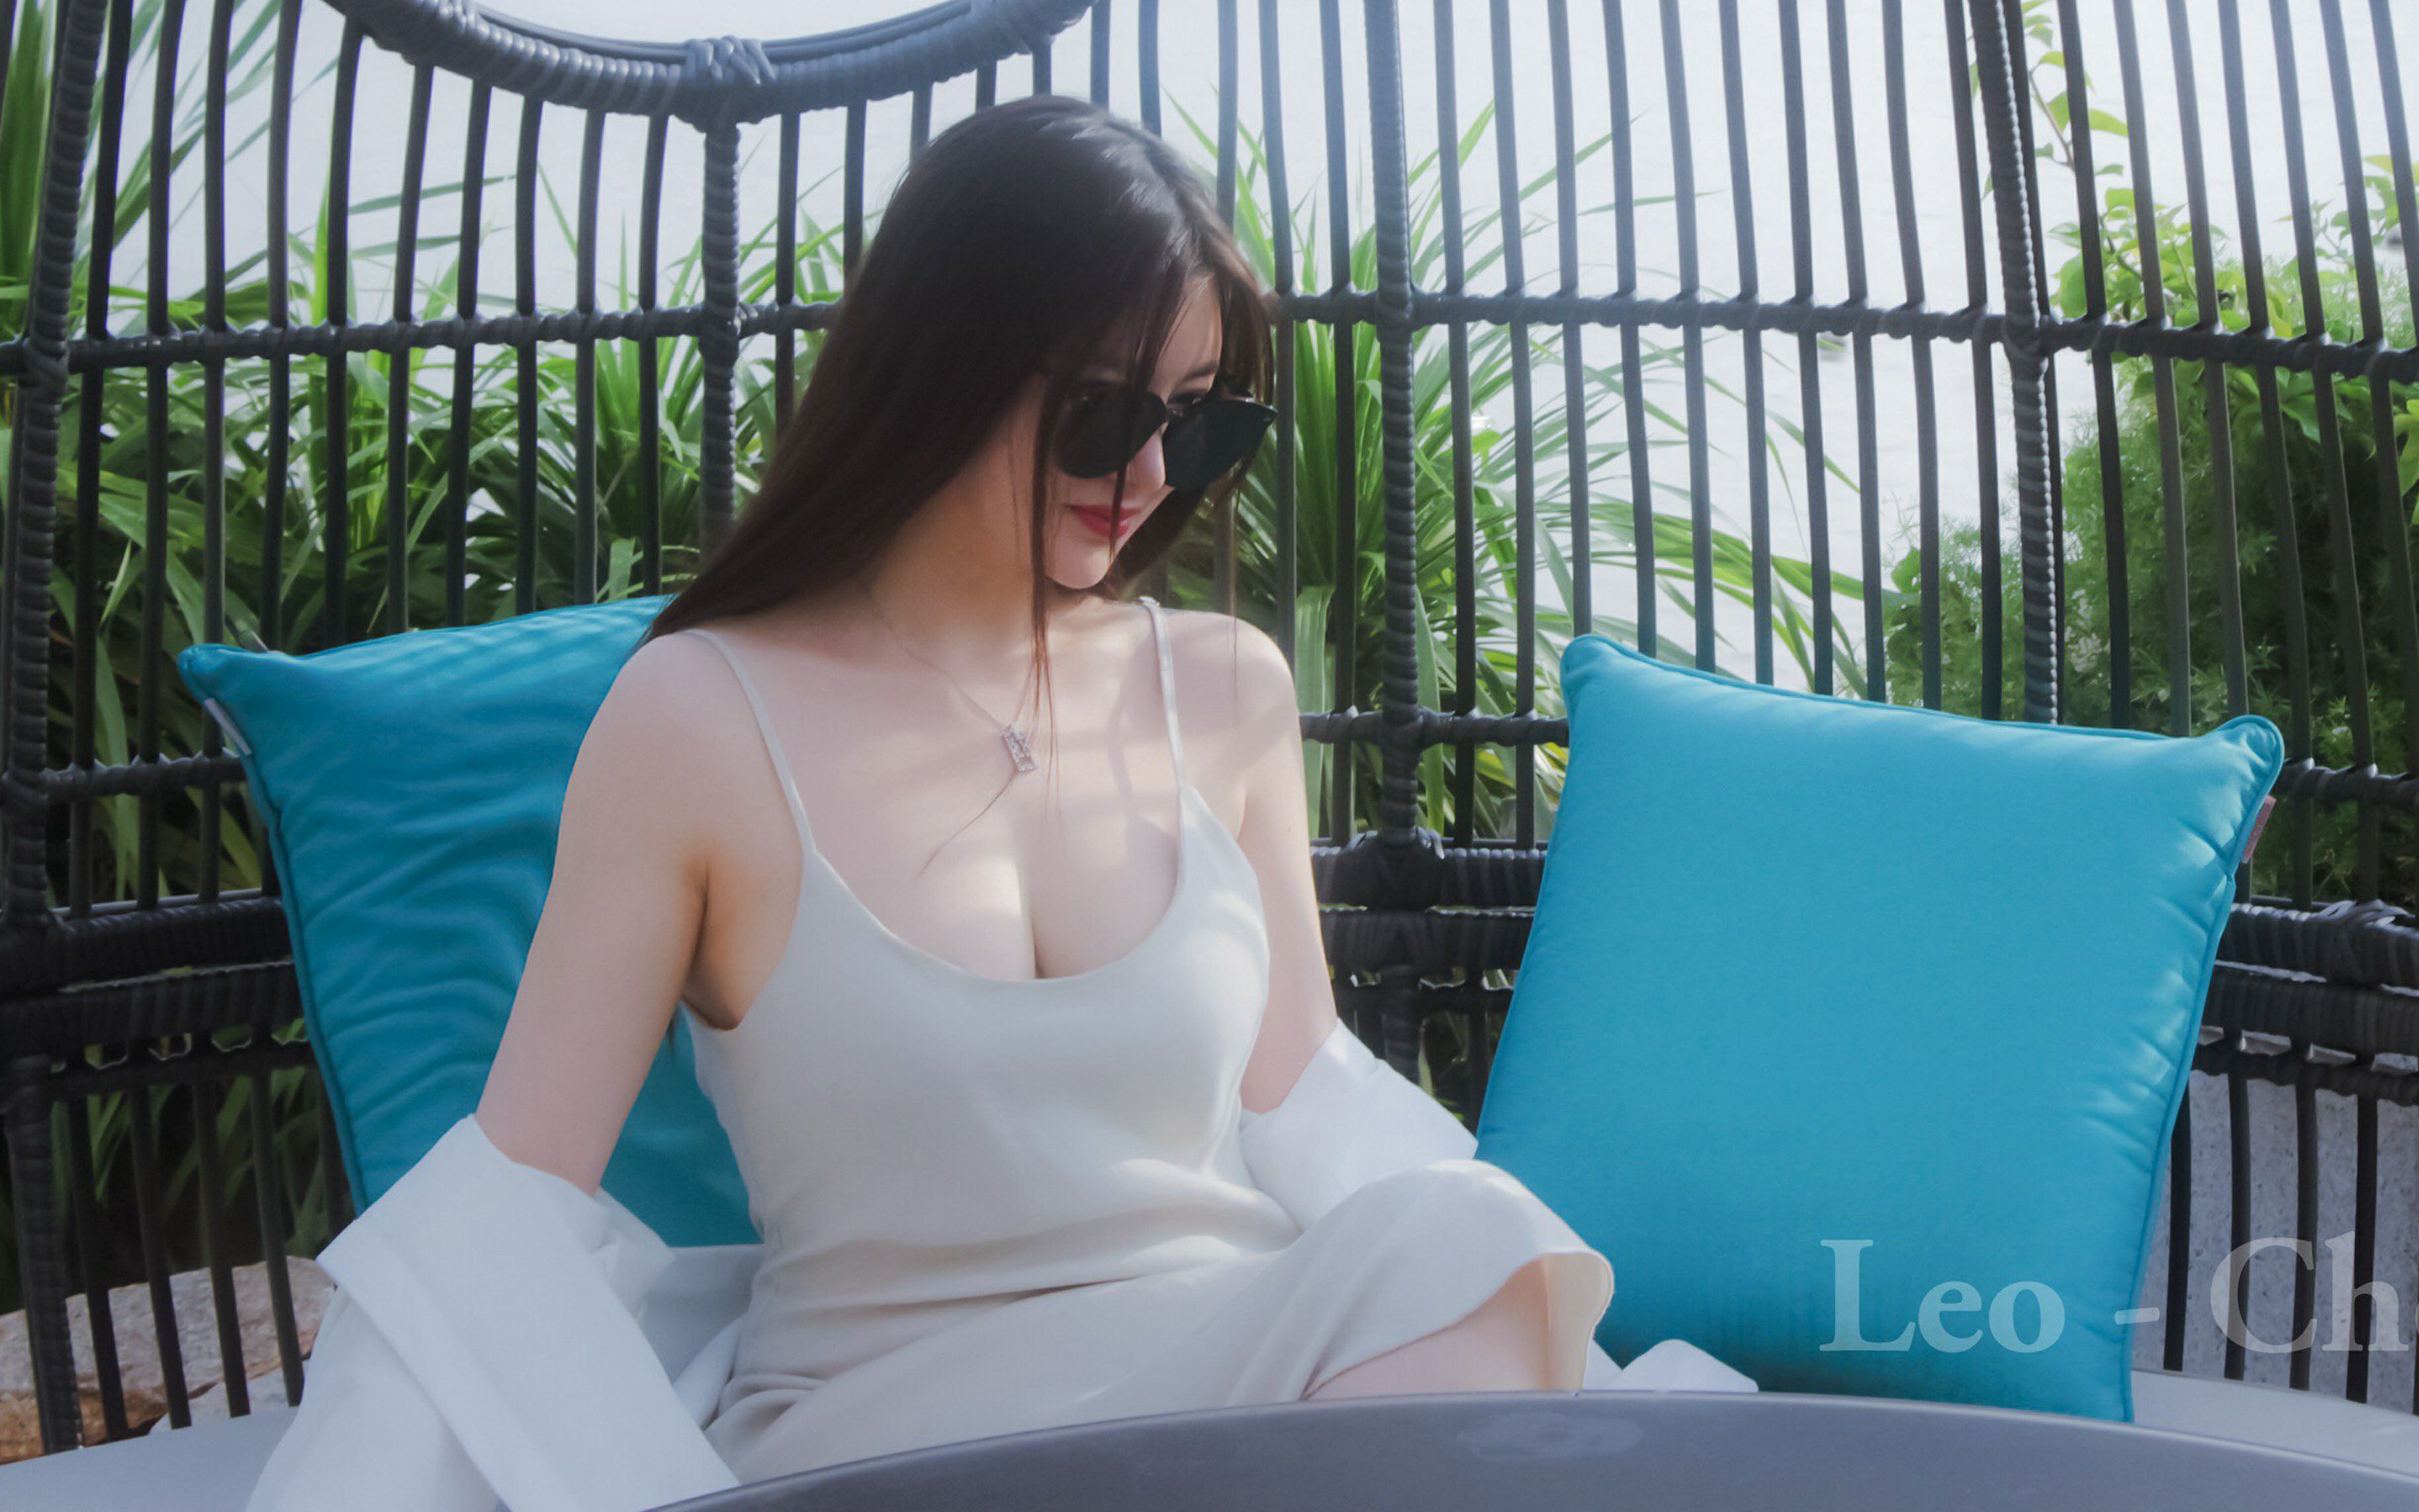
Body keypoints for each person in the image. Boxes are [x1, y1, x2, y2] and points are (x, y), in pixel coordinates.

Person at [469, 93, 1619, 1484]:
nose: (1151, 473)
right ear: (943, 365)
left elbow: (1309, 1097)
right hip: (881, 1433)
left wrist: (1513, 1305)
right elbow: (515, 1202)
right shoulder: (700, 717)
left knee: (1469, 1238)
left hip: (1230, 1390)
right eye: (1102, 411)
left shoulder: (1224, 691)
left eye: (1196, 420)